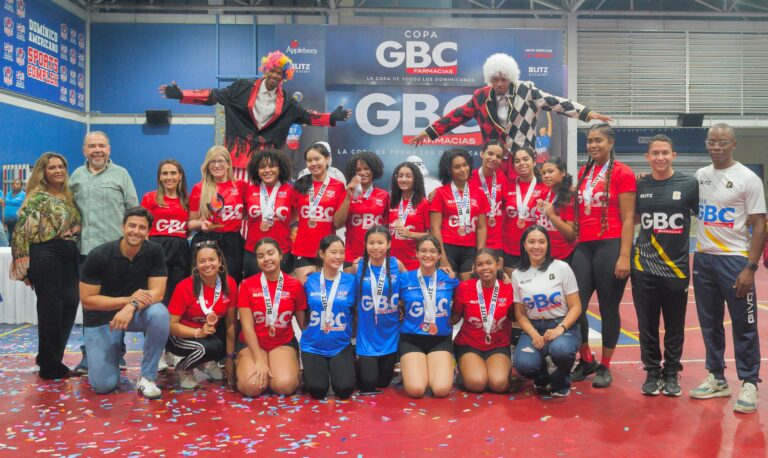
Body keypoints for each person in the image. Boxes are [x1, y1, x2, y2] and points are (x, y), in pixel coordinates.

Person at [160, 50, 351, 180]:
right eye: (273, 71)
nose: (276, 76)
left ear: (285, 77)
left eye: (281, 74)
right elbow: (213, 95)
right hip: (236, 162)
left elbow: (307, 117)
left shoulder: (287, 101)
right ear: (266, 70)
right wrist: (182, 94)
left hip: (265, 166)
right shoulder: (242, 87)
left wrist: (331, 117)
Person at [690, 123, 766, 414]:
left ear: (733, 144)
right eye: (712, 142)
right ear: (707, 144)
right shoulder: (701, 176)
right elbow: (698, 208)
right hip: (704, 258)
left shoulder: (748, 178)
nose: (717, 147)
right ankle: (717, 376)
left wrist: (750, 267)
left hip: (734, 260)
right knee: (709, 324)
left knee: (744, 326)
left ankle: (749, 382)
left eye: (723, 142)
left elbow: (759, 224)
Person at [409, 53, 612, 162]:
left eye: (503, 79)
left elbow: (555, 102)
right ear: (490, 78)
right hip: (493, 157)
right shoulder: (481, 96)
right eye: (495, 79)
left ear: (511, 77)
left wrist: (586, 112)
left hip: (522, 157)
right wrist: (429, 132)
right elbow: (457, 116)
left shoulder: (526, 91)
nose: (499, 84)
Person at [630, 134, 698, 397]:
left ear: (674, 156)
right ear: (647, 157)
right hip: (644, 266)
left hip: (677, 268)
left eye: (665, 153)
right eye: (655, 153)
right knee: (646, 323)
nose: (660, 157)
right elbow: (632, 218)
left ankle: (671, 371)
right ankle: (651, 371)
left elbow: (704, 214)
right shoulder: (640, 186)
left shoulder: (689, 184)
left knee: (674, 324)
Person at [570, 123, 636, 388]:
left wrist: (624, 256)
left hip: (610, 245)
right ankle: (586, 359)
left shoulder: (623, 172)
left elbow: (629, 217)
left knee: (609, 308)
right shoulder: (584, 171)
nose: (593, 145)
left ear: (610, 143)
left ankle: (606, 366)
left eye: (598, 140)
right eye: (589, 141)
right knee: (576, 307)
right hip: (584, 246)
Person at [79, 206, 169, 398]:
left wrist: (131, 307)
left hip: (134, 313)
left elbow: (158, 293)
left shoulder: (155, 251)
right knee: (103, 386)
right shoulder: (99, 255)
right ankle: (111, 352)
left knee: (160, 313)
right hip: (102, 317)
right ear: (122, 227)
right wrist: (127, 300)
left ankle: (147, 377)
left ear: (148, 232)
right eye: (132, 226)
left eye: (142, 227)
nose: (136, 231)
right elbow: (87, 300)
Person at [70, 131, 139, 374]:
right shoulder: (76, 177)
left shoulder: (122, 175)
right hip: (85, 253)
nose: (97, 150)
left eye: (101, 146)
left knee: (116, 305)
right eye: (92, 146)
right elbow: (69, 211)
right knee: (90, 307)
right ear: (84, 151)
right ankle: (89, 355)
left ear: (109, 149)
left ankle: (116, 354)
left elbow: (133, 211)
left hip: (116, 253)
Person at [9, 153, 81, 380]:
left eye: (61, 166)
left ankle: (49, 357)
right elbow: (20, 232)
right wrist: (23, 266)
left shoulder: (68, 196)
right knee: (51, 308)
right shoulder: (36, 197)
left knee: (70, 302)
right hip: (45, 253)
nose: (58, 170)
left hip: (69, 254)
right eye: (52, 168)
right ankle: (50, 366)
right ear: (44, 172)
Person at [512, 226, 582, 397]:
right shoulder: (517, 274)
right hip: (534, 327)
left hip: (560, 324)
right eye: (532, 242)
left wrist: (560, 329)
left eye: (541, 242)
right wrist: (534, 334)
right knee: (523, 364)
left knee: (561, 351)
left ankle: (562, 380)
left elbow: (576, 307)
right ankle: (543, 375)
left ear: (548, 245)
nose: (537, 246)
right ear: (524, 245)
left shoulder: (561, 268)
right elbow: (520, 314)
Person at [237, 238, 307, 397]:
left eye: (270, 253)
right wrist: (259, 360)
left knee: (284, 386)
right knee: (252, 387)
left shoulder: (295, 285)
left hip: (282, 341)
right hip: (253, 344)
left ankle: (284, 367)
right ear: (256, 260)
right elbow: (246, 326)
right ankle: (245, 364)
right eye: (260, 256)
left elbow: (303, 324)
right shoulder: (247, 285)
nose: (266, 259)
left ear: (280, 255)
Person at [167, 241, 237, 389]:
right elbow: (170, 326)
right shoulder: (185, 286)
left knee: (221, 341)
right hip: (180, 336)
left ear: (220, 261)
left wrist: (230, 359)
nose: (207, 264)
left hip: (207, 334)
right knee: (207, 348)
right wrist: (198, 332)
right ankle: (183, 368)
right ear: (196, 265)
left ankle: (205, 361)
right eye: (202, 261)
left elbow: (231, 323)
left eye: (212, 259)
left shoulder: (230, 284)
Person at [398, 235, 459, 398]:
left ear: (439, 255)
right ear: (416, 254)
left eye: (432, 251)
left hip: (439, 339)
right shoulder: (404, 278)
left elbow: (470, 290)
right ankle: (413, 368)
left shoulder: (449, 278)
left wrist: (501, 274)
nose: (428, 255)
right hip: (412, 338)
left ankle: (439, 366)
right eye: (423, 251)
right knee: (416, 390)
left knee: (441, 390)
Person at [300, 235, 358, 399]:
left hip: (340, 345)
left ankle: (350, 368)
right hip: (313, 345)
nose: (339, 257)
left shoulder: (351, 281)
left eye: (342, 252)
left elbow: (355, 312)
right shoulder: (309, 280)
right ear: (322, 254)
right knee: (317, 391)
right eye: (333, 252)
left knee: (345, 390)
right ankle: (311, 374)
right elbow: (302, 311)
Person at [451, 249, 514, 393]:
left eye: (489, 263)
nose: (484, 267)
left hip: (498, 344)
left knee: (499, 384)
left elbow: (515, 317)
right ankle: (462, 370)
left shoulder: (508, 288)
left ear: (498, 265)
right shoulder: (464, 287)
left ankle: (501, 370)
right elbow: (455, 317)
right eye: (479, 264)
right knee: (477, 383)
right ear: (474, 268)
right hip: (468, 344)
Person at [352, 225, 405, 393]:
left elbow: (413, 285)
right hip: (367, 334)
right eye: (371, 243)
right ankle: (352, 364)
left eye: (380, 242)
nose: (375, 247)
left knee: (383, 383)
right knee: (368, 383)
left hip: (390, 333)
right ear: (365, 245)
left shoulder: (397, 264)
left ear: (388, 244)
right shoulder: (358, 266)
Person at [291, 143, 351, 284]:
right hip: (303, 249)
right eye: (309, 160)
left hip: (328, 249)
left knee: (327, 293)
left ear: (327, 159)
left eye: (317, 159)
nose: (313, 163)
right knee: (309, 292)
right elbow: (292, 214)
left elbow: (338, 222)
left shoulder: (338, 186)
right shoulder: (301, 184)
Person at [188, 146, 248, 283]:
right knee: (205, 284)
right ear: (207, 166)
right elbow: (190, 223)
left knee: (232, 282)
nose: (217, 165)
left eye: (221, 161)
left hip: (233, 241)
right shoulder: (200, 188)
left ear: (228, 164)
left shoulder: (241, 186)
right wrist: (200, 224)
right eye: (212, 162)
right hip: (207, 241)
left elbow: (247, 212)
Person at [430, 149, 489, 281]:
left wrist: (480, 256)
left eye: (465, 165)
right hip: (447, 248)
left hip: (470, 250)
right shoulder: (440, 193)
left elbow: (481, 227)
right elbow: (435, 228)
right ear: (449, 170)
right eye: (457, 167)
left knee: (468, 291)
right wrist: (443, 258)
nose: (463, 169)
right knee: (448, 290)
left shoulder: (479, 193)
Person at [141, 159, 190, 305]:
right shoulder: (150, 197)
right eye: (165, 173)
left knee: (177, 292)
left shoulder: (187, 199)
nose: (169, 177)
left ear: (180, 176)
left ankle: (173, 326)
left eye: (173, 173)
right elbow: (142, 226)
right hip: (157, 247)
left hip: (180, 249)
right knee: (155, 293)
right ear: (160, 177)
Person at [243, 150, 296, 277]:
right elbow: (243, 213)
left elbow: (295, 215)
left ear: (280, 168)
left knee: (280, 294)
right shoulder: (248, 190)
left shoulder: (291, 190)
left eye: (272, 166)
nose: (267, 170)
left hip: (282, 251)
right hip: (253, 252)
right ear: (256, 170)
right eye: (262, 167)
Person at [502, 147, 547, 275]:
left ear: (534, 162)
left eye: (525, 159)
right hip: (511, 248)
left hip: (536, 248)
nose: (521, 163)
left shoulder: (545, 186)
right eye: (517, 161)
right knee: (514, 290)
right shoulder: (507, 186)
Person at [343, 152, 390, 270]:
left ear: (374, 170)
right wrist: (348, 195)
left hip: (376, 255)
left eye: (366, 169)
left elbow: (387, 227)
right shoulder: (346, 193)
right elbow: (338, 223)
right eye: (358, 170)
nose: (362, 173)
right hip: (351, 255)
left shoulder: (384, 195)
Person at [468, 141, 508, 268]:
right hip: (473, 240)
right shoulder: (469, 178)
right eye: (490, 154)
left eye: (498, 156)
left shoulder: (502, 178)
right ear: (481, 154)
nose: (494, 159)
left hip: (496, 241)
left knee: (498, 279)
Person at [388, 162, 430, 271]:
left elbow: (431, 235)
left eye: (408, 176)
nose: (403, 179)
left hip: (414, 260)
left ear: (415, 179)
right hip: (391, 259)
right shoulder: (390, 201)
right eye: (400, 176)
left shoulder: (423, 203)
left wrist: (410, 234)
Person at [537, 157, 576, 263]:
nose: (546, 176)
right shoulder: (544, 193)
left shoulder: (571, 196)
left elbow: (571, 235)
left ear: (563, 172)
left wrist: (552, 216)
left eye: (550, 171)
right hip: (544, 254)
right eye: (543, 173)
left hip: (565, 256)